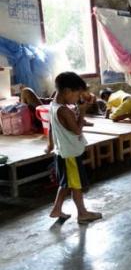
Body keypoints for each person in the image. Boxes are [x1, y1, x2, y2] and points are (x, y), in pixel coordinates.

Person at [45, 72, 102, 224]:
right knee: (76, 185)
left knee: (66, 183)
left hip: (62, 152)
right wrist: (82, 111)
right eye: (77, 95)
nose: (78, 99)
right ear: (67, 92)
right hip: (70, 154)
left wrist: (50, 145)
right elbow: (77, 130)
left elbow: (52, 127)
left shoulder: (53, 105)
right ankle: (82, 213)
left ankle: (57, 209)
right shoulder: (63, 110)